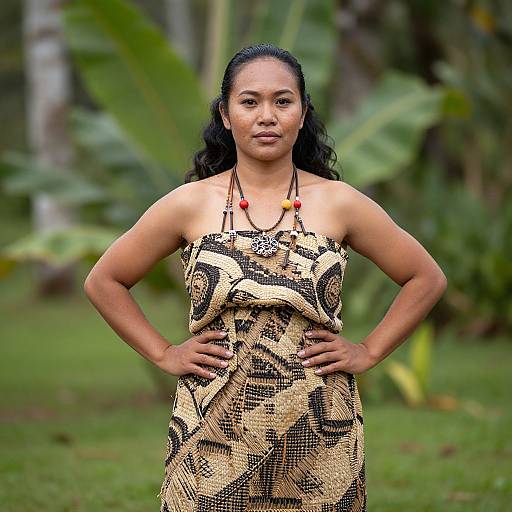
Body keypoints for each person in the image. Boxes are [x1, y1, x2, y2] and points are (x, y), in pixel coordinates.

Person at [84, 43, 447, 512]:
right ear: (226, 114)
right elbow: (104, 280)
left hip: (319, 425)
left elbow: (425, 277)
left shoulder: (340, 203)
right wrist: (164, 352)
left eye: (282, 101)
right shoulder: (190, 203)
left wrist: (369, 350)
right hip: (214, 427)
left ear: (302, 112)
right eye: (250, 101)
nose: (267, 116)